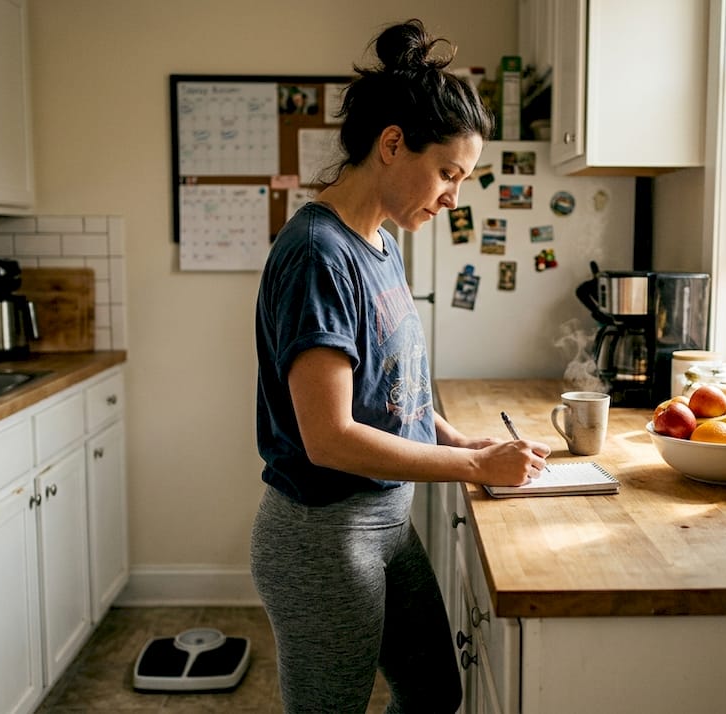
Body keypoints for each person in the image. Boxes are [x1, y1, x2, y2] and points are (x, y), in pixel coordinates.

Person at [250, 18, 551, 714]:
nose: (453, 197)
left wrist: (458, 439)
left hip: (385, 521)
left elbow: (392, 390)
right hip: (324, 538)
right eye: (448, 173)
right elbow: (330, 438)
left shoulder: (381, 244)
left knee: (433, 695)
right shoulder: (319, 255)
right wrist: (475, 466)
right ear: (392, 145)